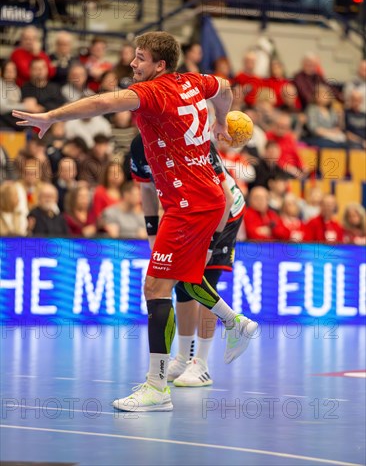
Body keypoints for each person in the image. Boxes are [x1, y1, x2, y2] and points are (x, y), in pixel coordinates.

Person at [13, 30, 258, 413]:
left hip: (189, 204)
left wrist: (51, 115)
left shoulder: (154, 92)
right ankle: (235, 323)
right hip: (203, 198)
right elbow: (225, 86)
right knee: (184, 281)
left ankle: (157, 388)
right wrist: (222, 122)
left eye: (140, 58)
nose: (132, 63)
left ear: (159, 65)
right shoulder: (193, 81)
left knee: (156, 289)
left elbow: (100, 103)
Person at [130, 133, 245, 386]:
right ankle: (183, 357)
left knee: (203, 281)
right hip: (186, 212)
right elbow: (147, 189)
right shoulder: (140, 144)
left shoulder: (195, 139)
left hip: (224, 212)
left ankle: (201, 364)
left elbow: (224, 198)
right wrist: (152, 235)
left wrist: (209, 247)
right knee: (181, 286)